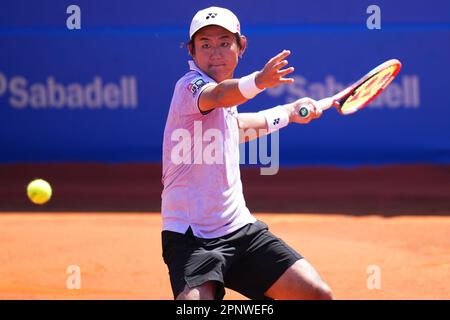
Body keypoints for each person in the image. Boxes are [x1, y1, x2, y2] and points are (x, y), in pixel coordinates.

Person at [161, 6, 332, 300]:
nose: (215, 52)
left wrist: (289, 112)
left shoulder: (226, 97)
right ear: (191, 51)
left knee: (316, 294)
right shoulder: (190, 87)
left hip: (240, 228)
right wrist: (259, 82)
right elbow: (220, 95)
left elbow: (235, 127)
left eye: (224, 43)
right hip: (192, 238)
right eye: (205, 44)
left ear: (241, 46)